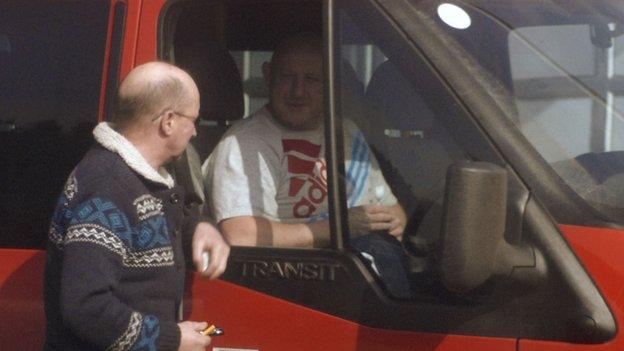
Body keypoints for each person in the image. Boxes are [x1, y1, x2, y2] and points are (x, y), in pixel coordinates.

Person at [202, 33, 411, 298]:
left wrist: (396, 220)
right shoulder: (243, 143)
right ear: (268, 76)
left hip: (344, 273)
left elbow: (388, 208)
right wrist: (339, 229)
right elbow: (242, 237)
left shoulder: (345, 132)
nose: (298, 91)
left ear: (331, 83)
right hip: (280, 286)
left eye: (312, 79)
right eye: (287, 77)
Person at [44, 61, 230, 351]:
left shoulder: (139, 180)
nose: (194, 131)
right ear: (168, 121)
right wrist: (171, 339)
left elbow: (149, 227)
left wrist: (200, 228)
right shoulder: (106, 188)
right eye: (193, 119)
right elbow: (86, 306)